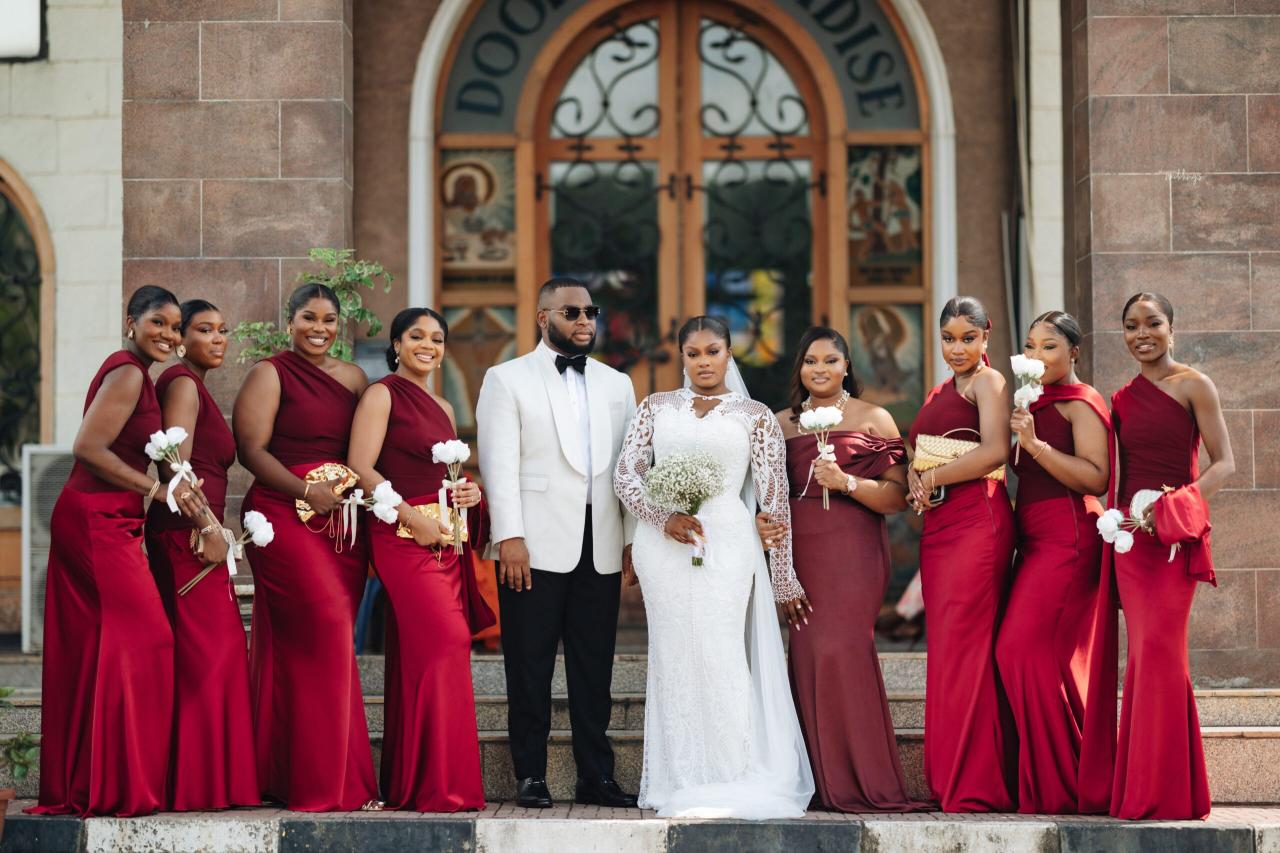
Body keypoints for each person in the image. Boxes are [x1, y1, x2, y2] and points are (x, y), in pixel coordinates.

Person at [614, 315, 814, 819]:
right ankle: (677, 776)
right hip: (663, 546)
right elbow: (625, 475)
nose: (703, 362)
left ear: (729, 355)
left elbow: (775, 501)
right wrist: (661, 517)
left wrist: (783, 577)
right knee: (673, 655)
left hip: (727, 543)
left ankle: (731, 770)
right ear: (682, 357)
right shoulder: (655, 407)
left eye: (713, 351)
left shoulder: (756, 416)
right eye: (693, 353)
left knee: (721, 651)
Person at [30, 285, 207, 816]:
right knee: (148, 639)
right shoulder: (128, 373)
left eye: (175, 327)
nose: (168, 335)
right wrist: (155, 489)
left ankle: (97, 780)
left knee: (99, 649)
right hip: (94, 519)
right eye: (157, 323)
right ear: (131, 322)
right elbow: (87, 447)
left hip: (111, 520)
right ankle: (119, 784)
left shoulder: (139, 375)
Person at [475, 277, 638, 809]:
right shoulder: (506, 379)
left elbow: (630, 468)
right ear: (543, 317)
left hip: (601, 541)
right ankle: (530, 774)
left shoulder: (618, 384)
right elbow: (498, 464)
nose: (585, 320)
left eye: (591, 311)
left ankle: (597, 776)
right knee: (530, 663)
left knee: (595, 666)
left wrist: (631, 540)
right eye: (572, 312)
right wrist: (510, 537)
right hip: (533, 544)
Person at [758, 326, 926, 813]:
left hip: (854, 553)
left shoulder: (874, 418)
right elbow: (766, 498)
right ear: (800, 368)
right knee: (809, 652)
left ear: (847, 366)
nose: (820, 369)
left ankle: (862, 778)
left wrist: (847, 482)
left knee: (844, 650)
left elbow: (897, 498)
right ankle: (814, 779)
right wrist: (772, 551)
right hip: (800, 554)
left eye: (830, 360)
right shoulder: (779, 423)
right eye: (811, 361)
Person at [1079, 293, 1233, 820]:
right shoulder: (1121, 399)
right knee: (1145, 658)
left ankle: (1164, 793)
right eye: (1131, 325)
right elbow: (1116, 474)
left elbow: (1224, 464)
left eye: (1152, 323)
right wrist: (1117, 519)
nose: (1141, 334)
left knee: (1162, 655)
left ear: (1171, 328)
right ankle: (1151, 789)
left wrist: (1173, 507)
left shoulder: (1195, 385)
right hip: (1132, 543)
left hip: (1172, 539)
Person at [233, 283, 379, 811]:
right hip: (280, 516)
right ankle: (324, 784)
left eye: (329, 320)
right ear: (290, 320)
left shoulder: (355, 378)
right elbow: (251, 450)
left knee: (306, 643)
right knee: (328, 627)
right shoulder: (269, 374)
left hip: (340, 525)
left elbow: (369, 447)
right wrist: (304, 491)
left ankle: (285, 774)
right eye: (309, 318)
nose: (320, 328)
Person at [348, 307, 495, 811]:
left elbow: (445, 477)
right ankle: (437, 784)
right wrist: (412, 519)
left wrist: (466, 493)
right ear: (396, 343)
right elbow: (360, 467)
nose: (428, 345)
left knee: (430, 651)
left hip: (443, 536)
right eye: (416, 336)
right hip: (400, 534)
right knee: (447, 639)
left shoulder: (444, 407)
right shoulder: (381, 395)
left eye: (437, 338)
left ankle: (424, 784)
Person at [145, 299, 260, 811]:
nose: (218, 339)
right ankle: (197, 786)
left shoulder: (195, 384)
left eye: (223, 330)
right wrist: (208, 528)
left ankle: (213, 783)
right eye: (204, 330)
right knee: (210, 656)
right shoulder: (182, 384)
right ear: (180, 339)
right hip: (185, 537)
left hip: (199, 534)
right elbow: (174, 468)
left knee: (217, 654)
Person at [994, 311, 1109, 814]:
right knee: (1042, 659)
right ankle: (1066, 776)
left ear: (1074, 352)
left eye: (1049, 347)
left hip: (1070, 538)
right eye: (1030, 347)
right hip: (1034, 541)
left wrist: (1035, 445)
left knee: (1017, 651)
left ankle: (1066, 780)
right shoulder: (1030, 402)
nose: (1037, 357)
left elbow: (1097, 478)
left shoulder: (1081, 403)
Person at [905, 295, 1016, 812]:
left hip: (979, 522)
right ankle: (949, 778)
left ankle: (976, 784)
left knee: (969, 650)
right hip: (940, 527)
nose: (957, 348)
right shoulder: (939, 390)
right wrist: (915, 475)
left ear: (986, 335)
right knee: (948, 650)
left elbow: (996, 451)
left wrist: (932, 477)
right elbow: (921, 449)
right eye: (948, 339)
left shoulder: (989, 382)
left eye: (968, 338)